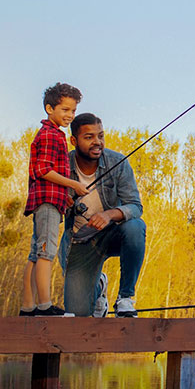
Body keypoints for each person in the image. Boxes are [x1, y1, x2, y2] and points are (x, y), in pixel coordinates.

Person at [60, 112, 146, 317]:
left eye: (100, 136)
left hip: (113, 234)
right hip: (79, 242)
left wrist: (109, 214)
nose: (97, 142)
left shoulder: (118, 162)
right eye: (89, 137)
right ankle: (99, 288)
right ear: (74, 141)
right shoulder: (62, 164)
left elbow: (135, 206)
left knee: (136, 226)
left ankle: (125, 298)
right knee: (78, 313)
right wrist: (61, 201)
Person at [21, 82, 89, 317]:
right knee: (46, 253)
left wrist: (67, 197)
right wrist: (73, 185)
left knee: (35, 254)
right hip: (47, 204)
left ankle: (27, 308)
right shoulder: (51, 135)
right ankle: (44, 306)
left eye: (73, 111)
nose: (70, 115)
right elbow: (43, 170)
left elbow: (47, 175)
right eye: (65, 110)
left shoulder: (52, 133)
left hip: (48, 200)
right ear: (50, 109)